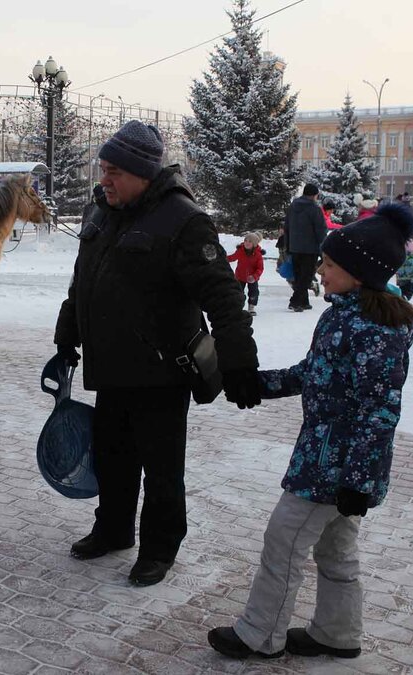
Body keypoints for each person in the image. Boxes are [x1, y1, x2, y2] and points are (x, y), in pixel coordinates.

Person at [207, 204, 413, 662]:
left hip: (333, 468)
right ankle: (336, 633)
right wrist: (254, 384)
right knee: (336, 549)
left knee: (283, 543)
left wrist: (358, 482)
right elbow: (314, 373)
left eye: (328, 264)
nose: (319, 270)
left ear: (357, 273)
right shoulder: (343, 315)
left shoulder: (375, 331)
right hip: (332, 462)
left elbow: (380, 411)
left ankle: (260, 635)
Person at [54, 121, 262, 587]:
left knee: (162, 467)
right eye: (102, 168)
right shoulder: (102, 211)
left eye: (114, 171)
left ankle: (160, 547)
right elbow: (83, 278)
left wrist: (239, 361)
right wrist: (68, 331)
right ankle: (113, 529)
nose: (104, 178)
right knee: (112, 455)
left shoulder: (183, 220)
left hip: (162, 371)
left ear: (144, 173)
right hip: (111, 365)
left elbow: (223, 297)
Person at [285, 184, 327, 311]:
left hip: (294, 245)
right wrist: (323, 245)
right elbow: (320, 229)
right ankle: (295, 301)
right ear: (315, 195)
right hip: (310, 247)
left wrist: (288, 244)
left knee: (298, 275)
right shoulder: (314, 208)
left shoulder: (293, 206)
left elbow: (287, 225)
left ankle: (304, 301)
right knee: (307, 275)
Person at [227, 232, 265, 315]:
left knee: (254, 292)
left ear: (254, 244)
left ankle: (251, 306)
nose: (247, 243)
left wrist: (254, 276)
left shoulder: (258, 255)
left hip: (252, 277)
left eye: (250, 241)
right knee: (238, 292)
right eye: (246, 241)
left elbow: (260, 268)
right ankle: (238, 306)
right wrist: (223, 259)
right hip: (240, 276)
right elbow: (232, 257)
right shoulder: (240, 251)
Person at [396, 234, 413, 300]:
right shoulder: (410, 243)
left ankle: (403, 299)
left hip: (401, 274)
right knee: (409, 290)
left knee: (403, 289)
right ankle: (404, 300)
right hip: (409, 274)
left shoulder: (398, 243)